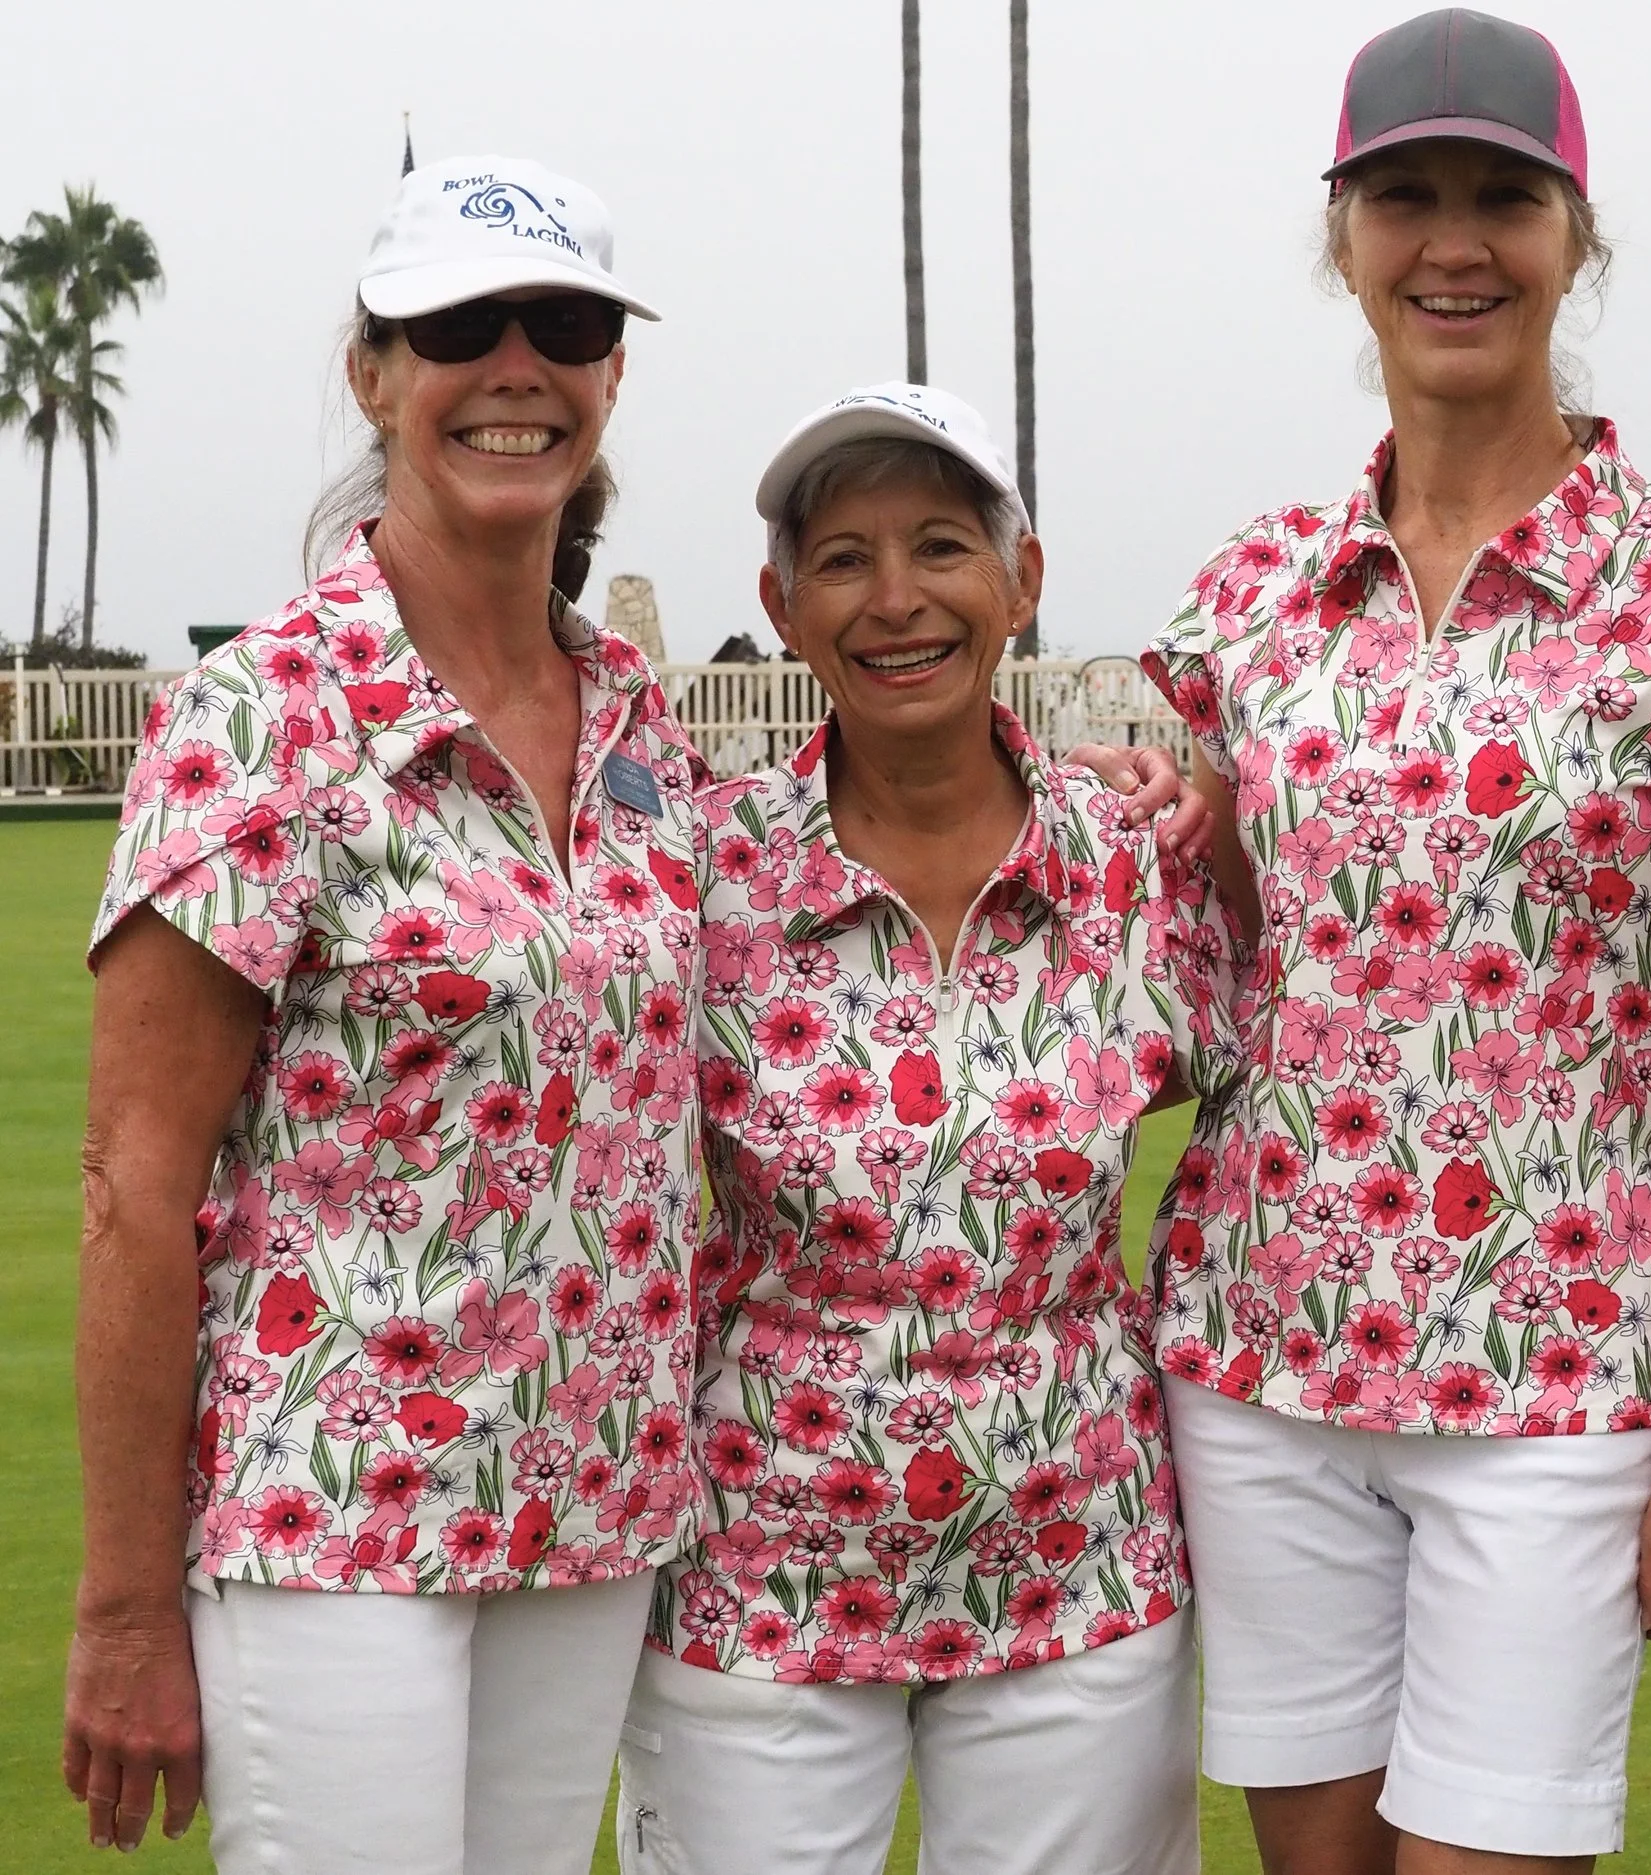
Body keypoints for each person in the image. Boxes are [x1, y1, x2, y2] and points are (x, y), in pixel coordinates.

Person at [1140, 11, 1651, 1870]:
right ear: (1341, 235)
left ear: (1574, 234)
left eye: (1503, 199)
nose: (1455, 243)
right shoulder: (1254, 598)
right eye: (1405, 197)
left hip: (1558, 1373)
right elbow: (1242, 965)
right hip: (1263, 1363)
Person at [61, 157, 701, 1872]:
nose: (512, 365)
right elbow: (135, 1179)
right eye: (452, 328)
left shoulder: (643, 726)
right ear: (374, 372)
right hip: (334, 1511)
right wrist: (125, 1606)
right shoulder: (260, 715)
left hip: (589, 1511)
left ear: (611, 372)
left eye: (560, 324)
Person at [617, 384, 1238, 1875]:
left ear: (1021, 579)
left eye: (943, 546)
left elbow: (1321, 1071)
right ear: (780, 603)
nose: (897, 601)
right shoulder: (704, 877)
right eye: (842, 559)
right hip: (763, 1573)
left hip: (1075, 1567)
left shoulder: (1134, 863)